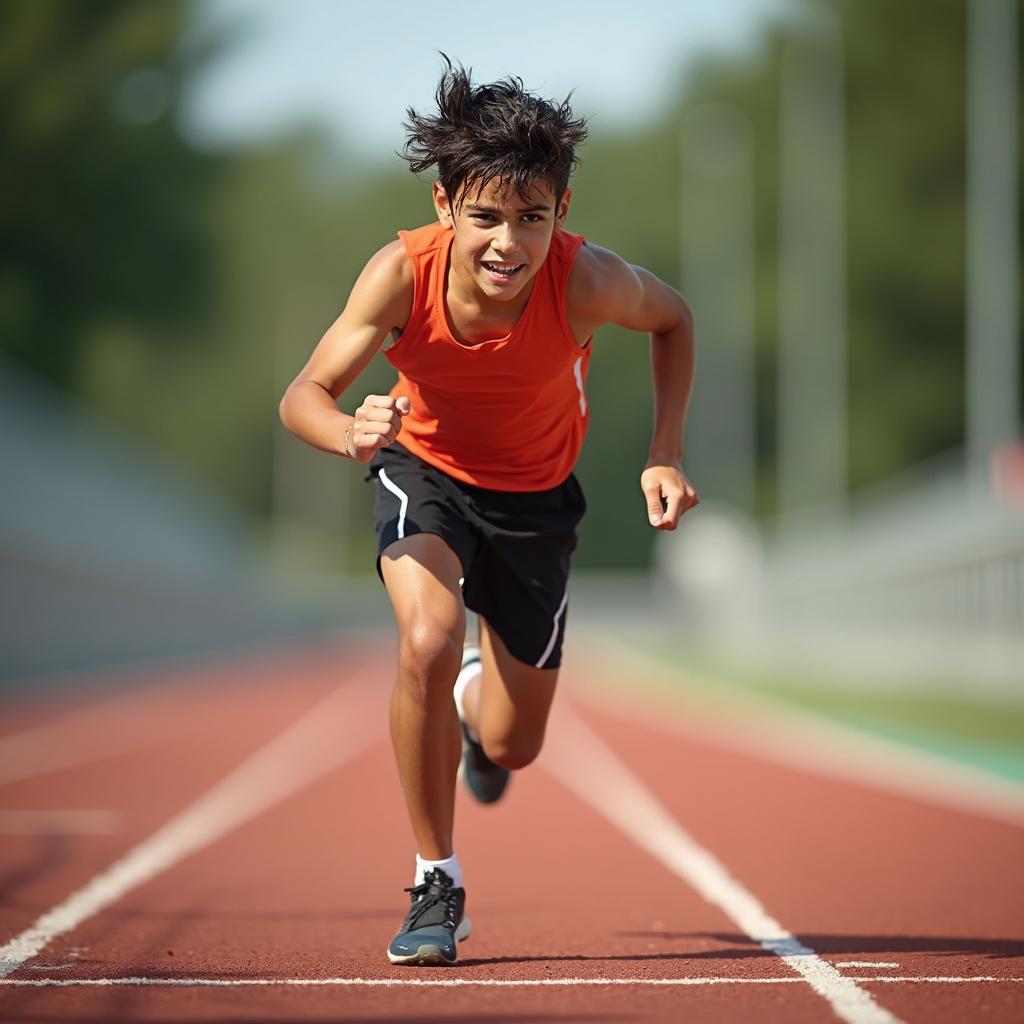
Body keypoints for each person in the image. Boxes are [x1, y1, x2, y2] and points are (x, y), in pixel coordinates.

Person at [278, 57, 699, 967]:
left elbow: (676, 320)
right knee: (423, 638)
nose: (508, 244)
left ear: (562, 212)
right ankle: (438, 878)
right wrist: (350, 432)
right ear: (445, 207)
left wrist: (663, 454)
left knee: (515, 744)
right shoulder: (400, 274)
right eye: (485, 217)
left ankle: (477, 705)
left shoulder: (587, 283)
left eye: (531, 218)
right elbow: (303, 394)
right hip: (421, 468)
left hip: (538, 500)